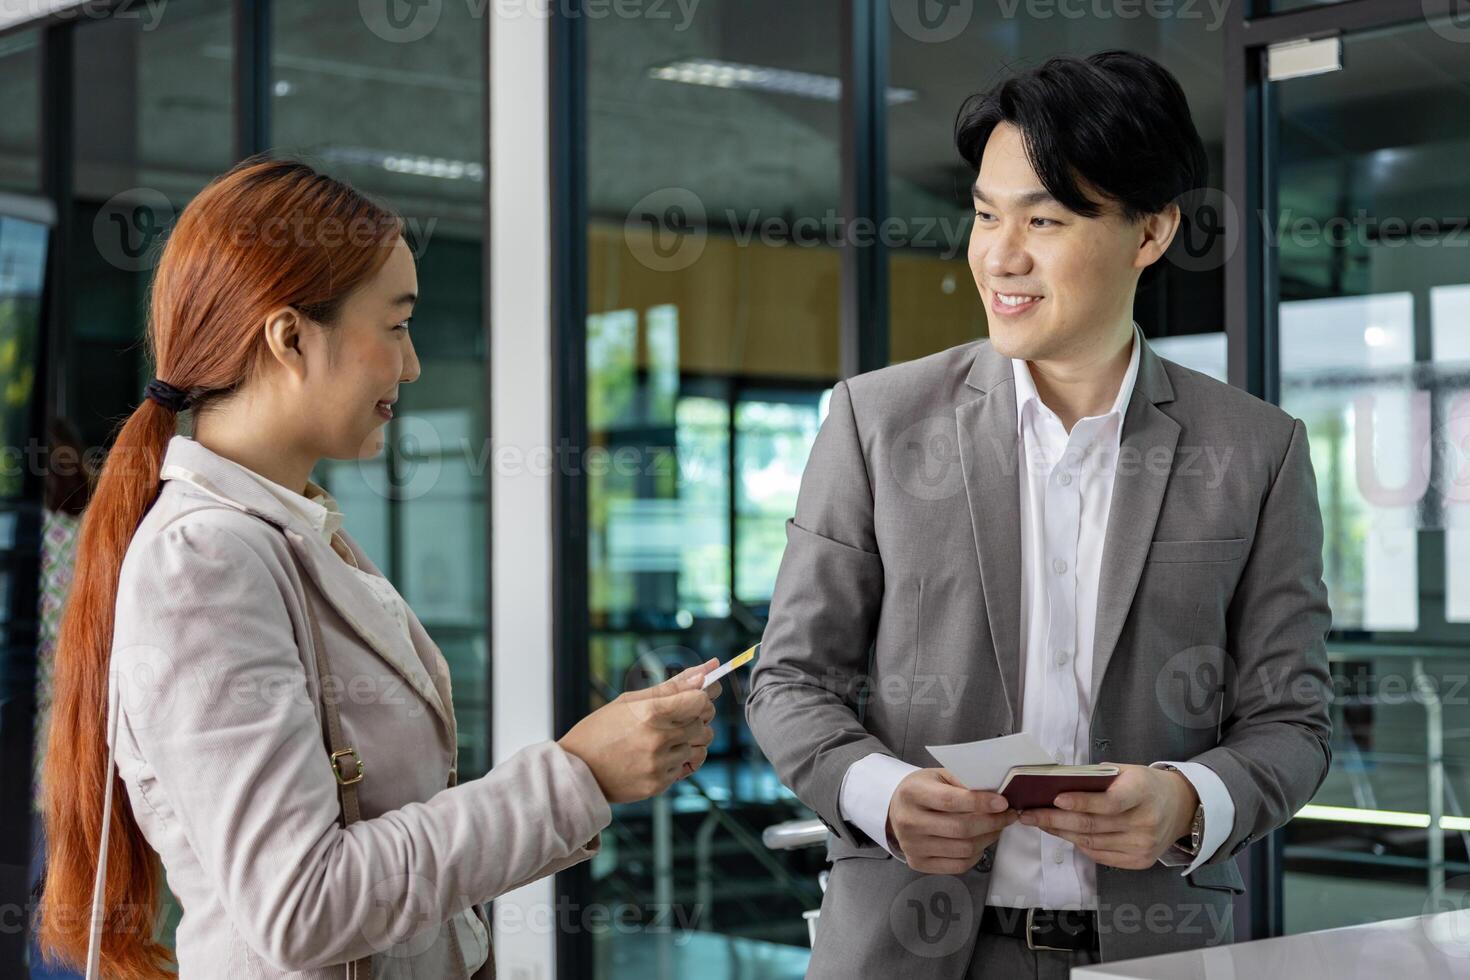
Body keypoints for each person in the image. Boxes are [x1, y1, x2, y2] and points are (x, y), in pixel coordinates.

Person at [35, 158, 723, 979]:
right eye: (396, 326)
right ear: (289, 337)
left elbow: (390, 843)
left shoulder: (292, 531)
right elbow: (302, 905)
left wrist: (587, 775)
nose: (413, 364)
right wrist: (575, 775)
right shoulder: (207, 562)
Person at [747, 50, 1332, 978]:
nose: (999, 256)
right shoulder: (876, 421)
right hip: (906, 949)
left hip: (1152, 955)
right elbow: (788, 680)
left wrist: (1187, 800)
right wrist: (884, 792)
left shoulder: (1258, 451)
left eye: (1045, 220)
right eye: (985, 214)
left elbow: (1292, 719)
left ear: (1151, 233)